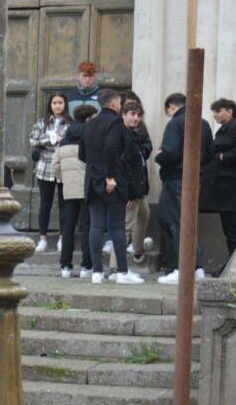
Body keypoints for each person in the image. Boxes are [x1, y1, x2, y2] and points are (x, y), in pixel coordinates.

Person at [78, 89, 143, 285]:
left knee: (96, 226)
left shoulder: (89, 124)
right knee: (117, 227)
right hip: (112, 182)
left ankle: (97, 272)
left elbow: (82, 154)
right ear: (114, 103)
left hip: (92, 181)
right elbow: (111, 148)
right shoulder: (115, 122)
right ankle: (122, 272)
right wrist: (110, 176)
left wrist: (97, 171)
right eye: (119, 102)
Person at [156, 92, 215, 284]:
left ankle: (182, 269)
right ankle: (195, 268)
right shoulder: (204, 123)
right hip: (194, 179)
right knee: (173, 219)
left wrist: (159, 156)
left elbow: (170, 152)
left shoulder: (175, 123)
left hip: (176, 179)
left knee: (177, 222)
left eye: (169, 110)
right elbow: (209, 154)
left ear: (172, 106)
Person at [200, 98, 236, 258]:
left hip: (231, 191)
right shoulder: (225, 129)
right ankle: (232, 264)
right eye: (214, 112)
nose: (215, 115)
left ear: (230, 111)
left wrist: (226, 156)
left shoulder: (235, 127)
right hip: (224, 191)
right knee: (230, 232)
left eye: (218, 111)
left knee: (233, 232)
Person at [53, 105, 96, 278]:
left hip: (69, 189)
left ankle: (65, 266)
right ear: (88, 118)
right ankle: (87, 266)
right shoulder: (91, 137)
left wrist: (64, 180)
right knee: (88, 227)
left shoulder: (64, 139)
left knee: (68, 228)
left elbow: (55, 165)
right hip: (88, 189)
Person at [30, 93, 72, 252]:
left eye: (60, 102)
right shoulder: (42, 122)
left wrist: (48, 141)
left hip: (63, 166)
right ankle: (43, 239)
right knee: (45, 204)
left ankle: (62, 237)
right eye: (54, 102)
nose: (57, 106)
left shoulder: (70, 122)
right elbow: (33, 140)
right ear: (50, 105)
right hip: (44, 167)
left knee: (64, 204)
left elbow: (71, 140)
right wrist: (53, 139)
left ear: (64, 104)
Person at [121, 99, 154, 265]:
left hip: (140, 189)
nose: (136, 118)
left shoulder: (136, 134)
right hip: (130, 192)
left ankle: (138, 251)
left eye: (139, 115)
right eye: (132, 114)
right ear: (124, 115)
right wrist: (129, 193)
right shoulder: (122, 134)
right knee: (126, 227)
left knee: (144, 217)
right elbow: (123, 167)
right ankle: (115, 267)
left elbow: (139, 162)